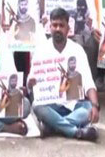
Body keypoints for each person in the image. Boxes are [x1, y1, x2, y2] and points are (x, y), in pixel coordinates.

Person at [29, 8, 99, 141]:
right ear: (49, 27)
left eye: (61, 25)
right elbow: (30, 81)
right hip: (50, 105)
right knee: (36, 106)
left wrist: (95, 106)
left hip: (73, 106)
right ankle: (76, 132)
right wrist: (30, 82)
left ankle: (52, 127)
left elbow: (89, 82)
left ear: (68, 28)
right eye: (54, 25)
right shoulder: (40, 50)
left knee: (88, 109)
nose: (57, 29)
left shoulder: (77, 50)